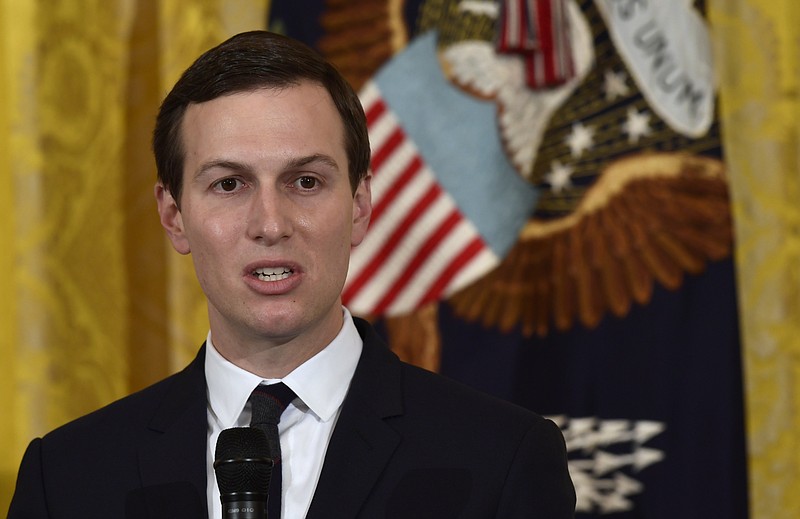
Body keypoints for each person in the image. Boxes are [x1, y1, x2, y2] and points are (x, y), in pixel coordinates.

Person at [7, 31, 575, 518]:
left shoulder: (502, 459)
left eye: (305, 181)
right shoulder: (67, 479)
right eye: (229, 184)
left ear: (359, 205)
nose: (271, 224)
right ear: (173, 215)